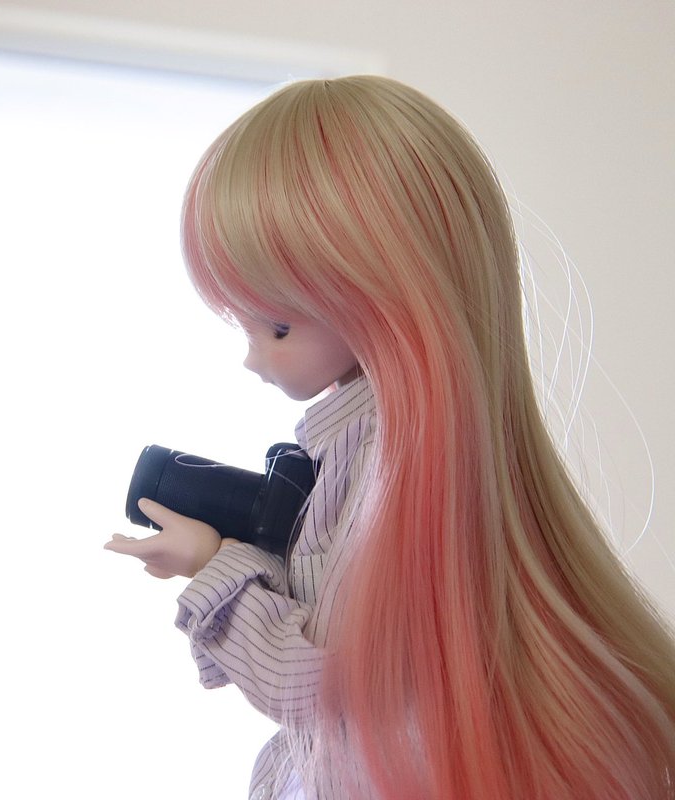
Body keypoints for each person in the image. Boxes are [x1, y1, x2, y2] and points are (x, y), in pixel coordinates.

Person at [105, 76, 675, 799]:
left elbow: (320, 683)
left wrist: (212, 564)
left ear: (387, 299)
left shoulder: (390, 464)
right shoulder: (387, 455)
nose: (253, 357)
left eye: (277, 327)